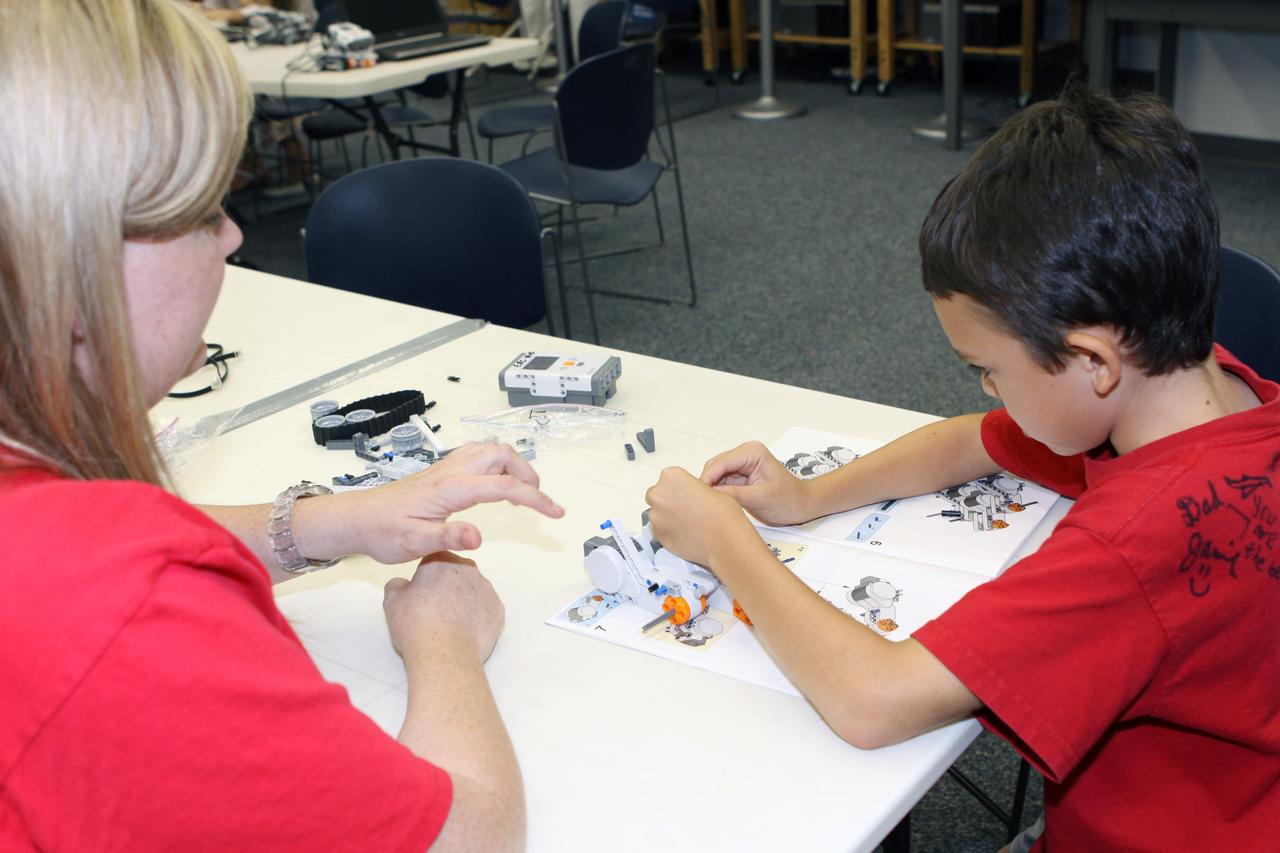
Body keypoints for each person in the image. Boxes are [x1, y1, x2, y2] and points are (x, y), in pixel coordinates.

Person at [644, 87, 1280, 850]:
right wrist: (811, 493)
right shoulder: (1221, 393)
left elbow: (872, 700)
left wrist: (724, 542)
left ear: (1091, 360)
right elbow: (975, 441)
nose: (984, 389)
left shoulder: (1136, 545)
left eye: (987, 368)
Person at [0, 2, 561, 849]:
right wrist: (442, 641)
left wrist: (332, 522)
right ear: (67, 257)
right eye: (200, 211)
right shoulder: (119, 613)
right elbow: (472, 833)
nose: (231, 236)